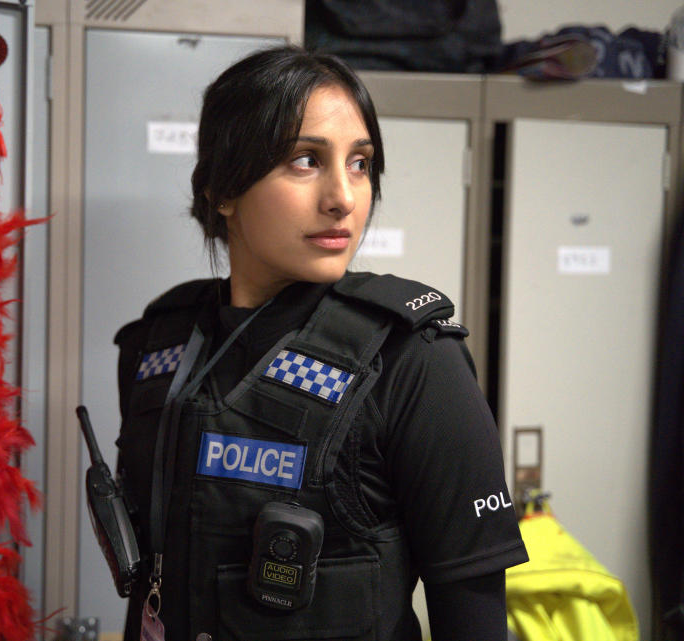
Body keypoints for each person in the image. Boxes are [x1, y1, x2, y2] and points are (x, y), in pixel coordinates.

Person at [113, 45, 527, 641]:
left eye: (360, 163)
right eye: (306, 160)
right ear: (223, 189)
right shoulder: (159, 345)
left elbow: (475, 616)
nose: (345, 198)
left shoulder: (414, 362)